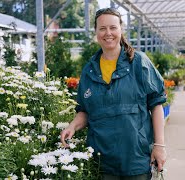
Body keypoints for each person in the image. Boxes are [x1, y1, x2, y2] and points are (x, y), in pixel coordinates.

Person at [60, 8, 167, 180]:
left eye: (112, 27)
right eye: (102, 28)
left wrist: (159, 145)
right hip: (102, 161)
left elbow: (156, 104)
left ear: (121, 29)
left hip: (136, 159)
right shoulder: (89, 70)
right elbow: (85, 110)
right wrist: (72, 127)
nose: (107, 33)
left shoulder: (139, 62)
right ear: (95, 31)